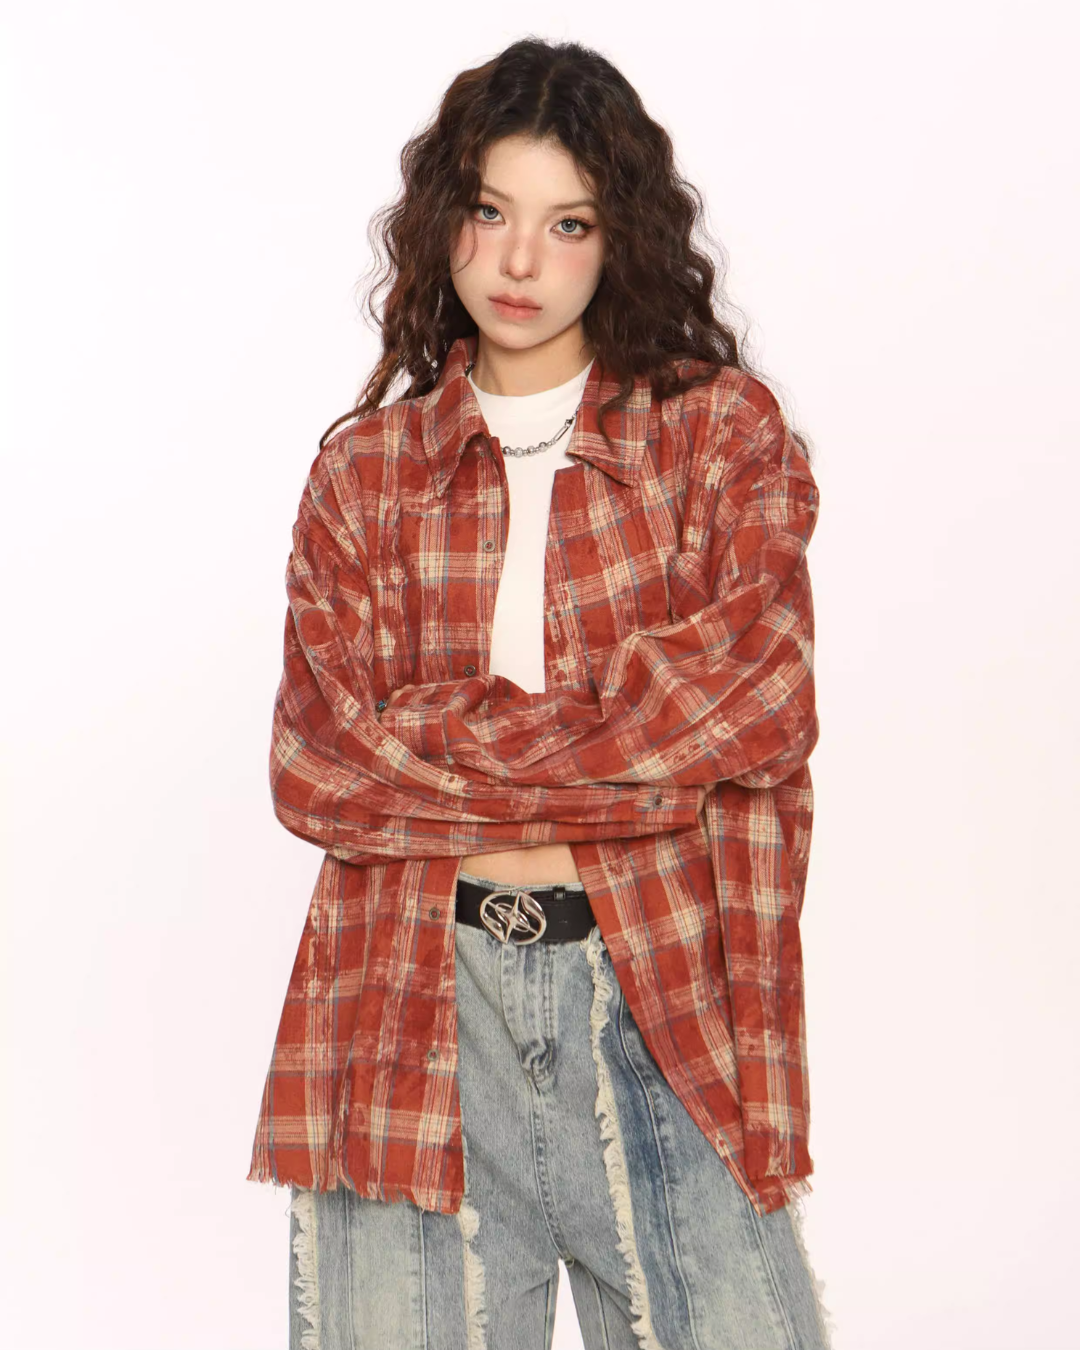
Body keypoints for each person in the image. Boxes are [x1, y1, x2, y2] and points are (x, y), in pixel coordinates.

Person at [247, 35, 835, 1350]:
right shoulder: (366, 475)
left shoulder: (717, 437)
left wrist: (437, 743)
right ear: (440, 221)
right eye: (488, 211)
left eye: (567, 223)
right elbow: (318, 767)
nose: (519, 261)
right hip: (411, 1003)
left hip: (662, 990)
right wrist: (638, 765)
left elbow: (761, 702)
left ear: (619, 237)